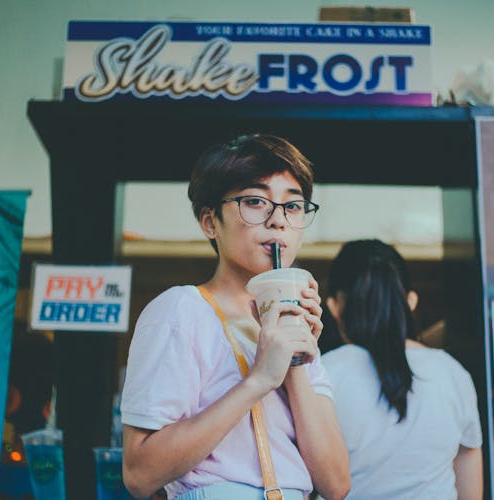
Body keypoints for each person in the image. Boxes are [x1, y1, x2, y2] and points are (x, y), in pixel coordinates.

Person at [121, 134, 350, 500]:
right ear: (210, 222)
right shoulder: (182, 310)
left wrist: (293, 362)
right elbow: (139, 473)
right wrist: (259, 378)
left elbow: (336, 485)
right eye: (256, 202)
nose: (278, 221)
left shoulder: (297, 328)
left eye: (293, 206)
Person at [322, 239, 483, 500]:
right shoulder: (452, 373)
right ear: (410, 301)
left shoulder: (322, 374)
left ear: (334, 306)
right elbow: (469, 482)